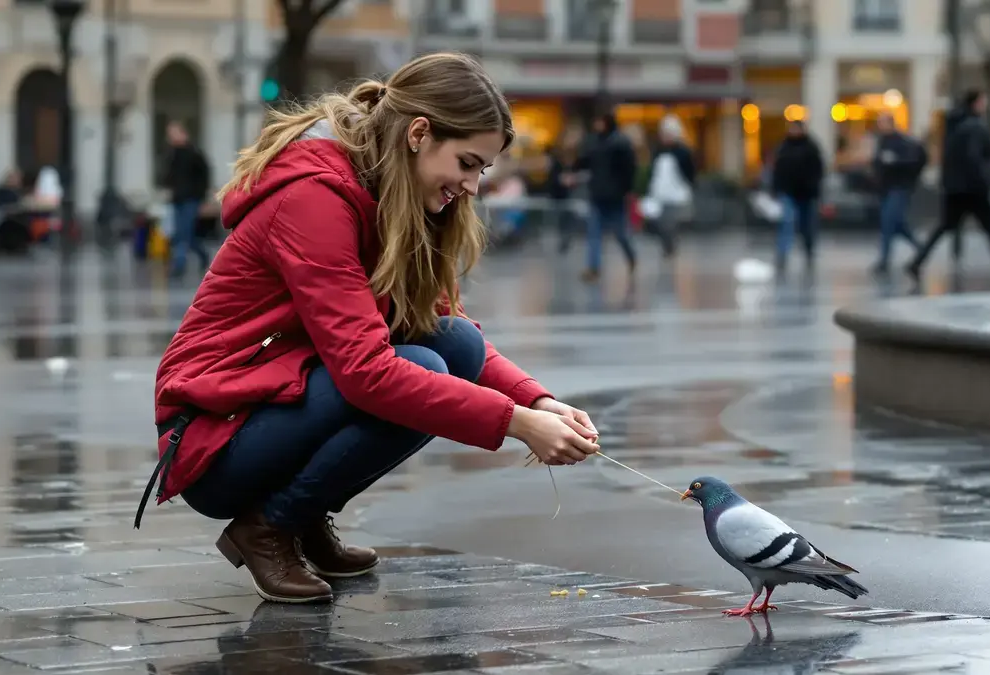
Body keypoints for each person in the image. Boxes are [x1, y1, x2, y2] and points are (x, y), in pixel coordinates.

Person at [140, 53, 601, 605]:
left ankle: (302, 516)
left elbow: (440, 322)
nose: (474, 186)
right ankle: (268, 526)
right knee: (419, 371)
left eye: (483, 170)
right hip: (216, 435)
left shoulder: (395, 194)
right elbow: (365, 373)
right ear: (419, 133)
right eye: (468, 163)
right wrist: (518, 424)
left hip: (283, 392)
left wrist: (538, 400)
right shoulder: (314, 198)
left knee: (454, 342)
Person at [906, 90, 990, 280]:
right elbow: (977, 156)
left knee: (944, 226)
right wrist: (986, 175)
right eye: (983, 102)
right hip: (973, 189)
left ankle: (917, 261)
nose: (984, 106)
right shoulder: (975, 126)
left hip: (955, 187)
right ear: (975, 103)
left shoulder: (953, 126)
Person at [573, 112, 638, 282]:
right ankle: (593, 268)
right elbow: (583, 161)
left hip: (615, 196)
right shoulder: (594, 142)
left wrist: (627, 189)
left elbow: (629, 170)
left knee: (620, 233)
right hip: (598, 194)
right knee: (594, 232)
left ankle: (630, 256)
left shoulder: (620, 143)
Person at [870, 113, 926, 274]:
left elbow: (912, 162)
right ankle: (921, 248)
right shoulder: (882, 142)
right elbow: (878, 164)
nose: (881, 126)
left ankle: (884, 260)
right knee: (898, 224)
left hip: (899, 188)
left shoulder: (902, 142)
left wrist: (894, 162)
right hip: (885, 188)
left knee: (888, 222)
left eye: (883, 122)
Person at [770, 120, 825, 271]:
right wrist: (776, 189)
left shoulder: (811, 148)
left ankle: (808, 251)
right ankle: (783, 254)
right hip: (788, 192)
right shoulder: (783, 147)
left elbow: (818, 171)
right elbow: (777, 170)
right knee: (787, 223)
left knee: (806, 225)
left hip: (806, 194)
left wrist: (816, 191)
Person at [163, 121, 212, 277]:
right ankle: (202, 256)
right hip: (177, 199)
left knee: (184, 232)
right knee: (183, 233)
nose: (171, 137)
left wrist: (202, 197)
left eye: (174, 133)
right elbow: (169, 176)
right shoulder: (172, 154)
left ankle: (180, 265)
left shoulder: (194, 153)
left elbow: (203, 176)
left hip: (191, 198)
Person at [643, 114, 696, 259]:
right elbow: (653, 172)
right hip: (659, 194)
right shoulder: (658, 151)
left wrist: (688, 186)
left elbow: (690, 172)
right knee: (658, 223)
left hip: (677, 195)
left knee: (671, 223)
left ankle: (670, 246)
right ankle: (667, 245)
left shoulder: (683, 152)